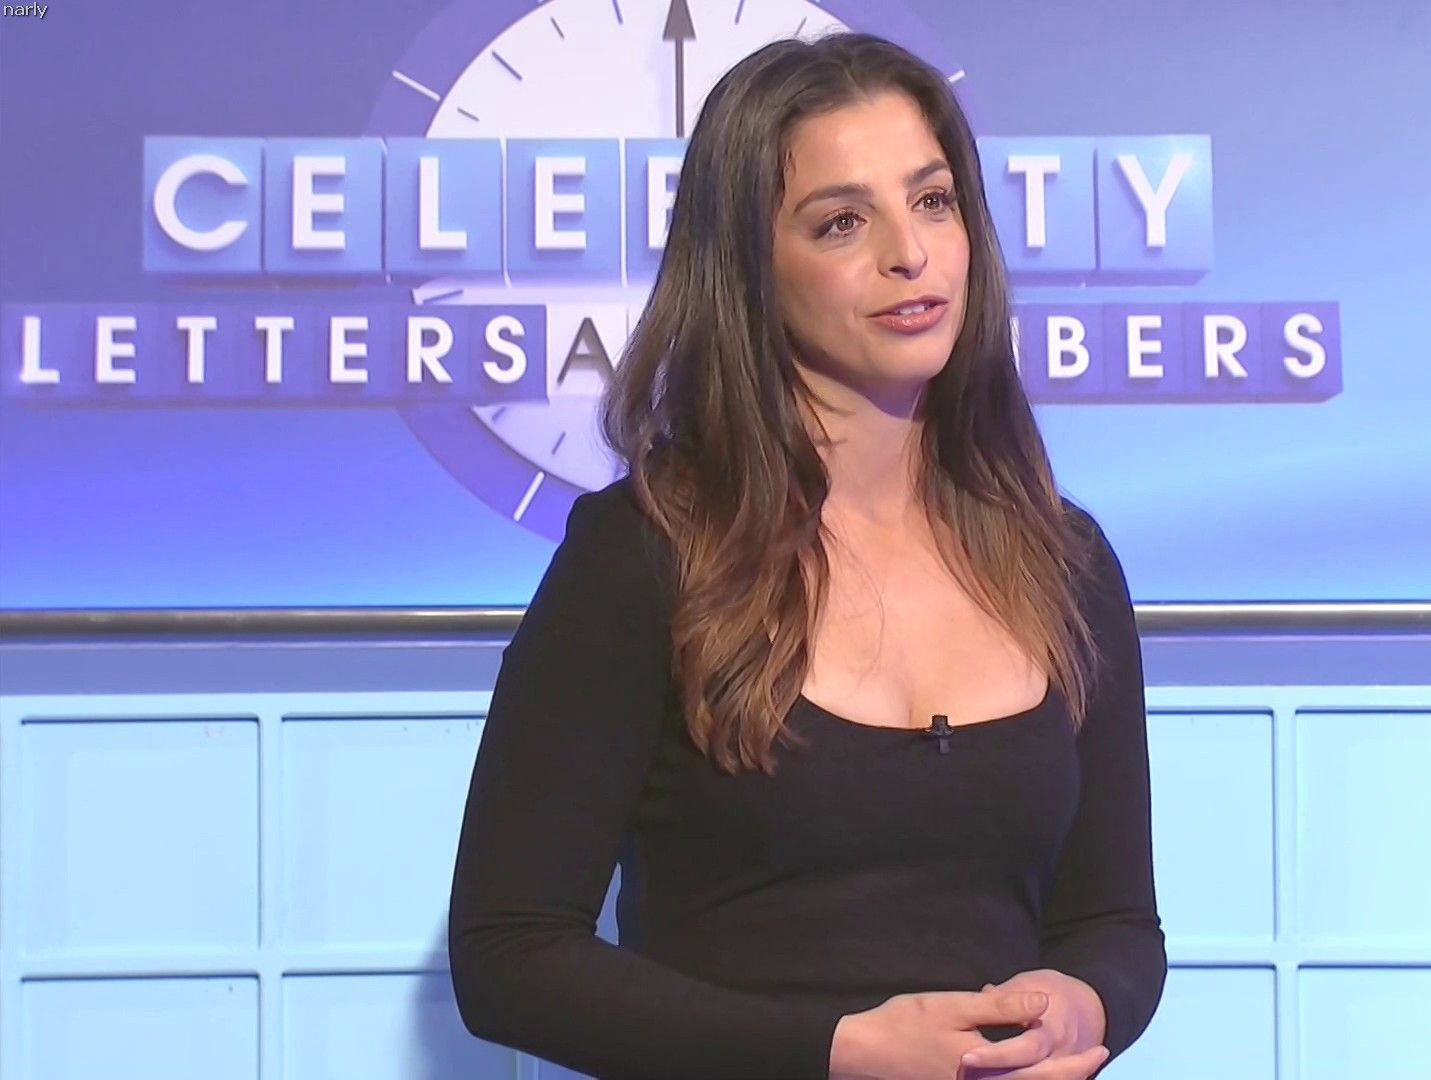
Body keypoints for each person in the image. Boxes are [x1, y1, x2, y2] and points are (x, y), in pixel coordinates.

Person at [446, 30, 1165, 1080]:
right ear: (750, 267)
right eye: (842, 222)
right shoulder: (644, 557)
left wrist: (1081, 1003)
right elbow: (508, 955)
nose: (910, 254)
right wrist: (833, 1052)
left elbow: (1115, 925)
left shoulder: (1066, 561)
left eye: (933, 201)